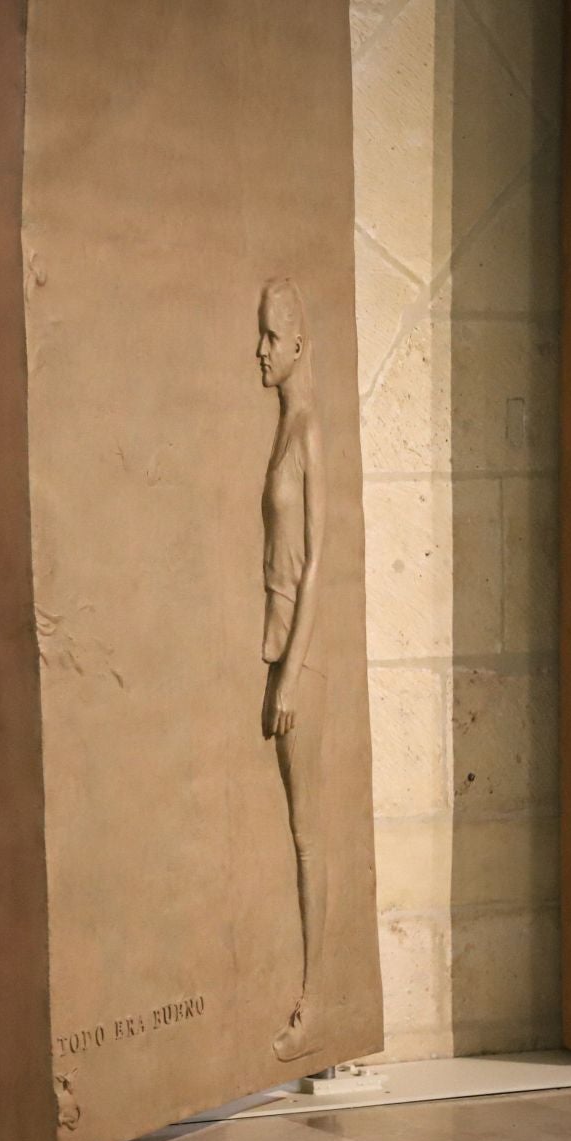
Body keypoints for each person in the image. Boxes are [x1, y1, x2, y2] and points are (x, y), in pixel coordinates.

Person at [256, 278, 331, 1065]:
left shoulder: (309, 432)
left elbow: (318, 563)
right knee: (293, 829)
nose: (262, 351)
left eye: (273, 337)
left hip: (295, 655)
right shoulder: (284, 429)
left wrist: (294, 675)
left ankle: (316, 1001)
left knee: (309, 834)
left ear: (300, 344)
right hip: (275, 643)